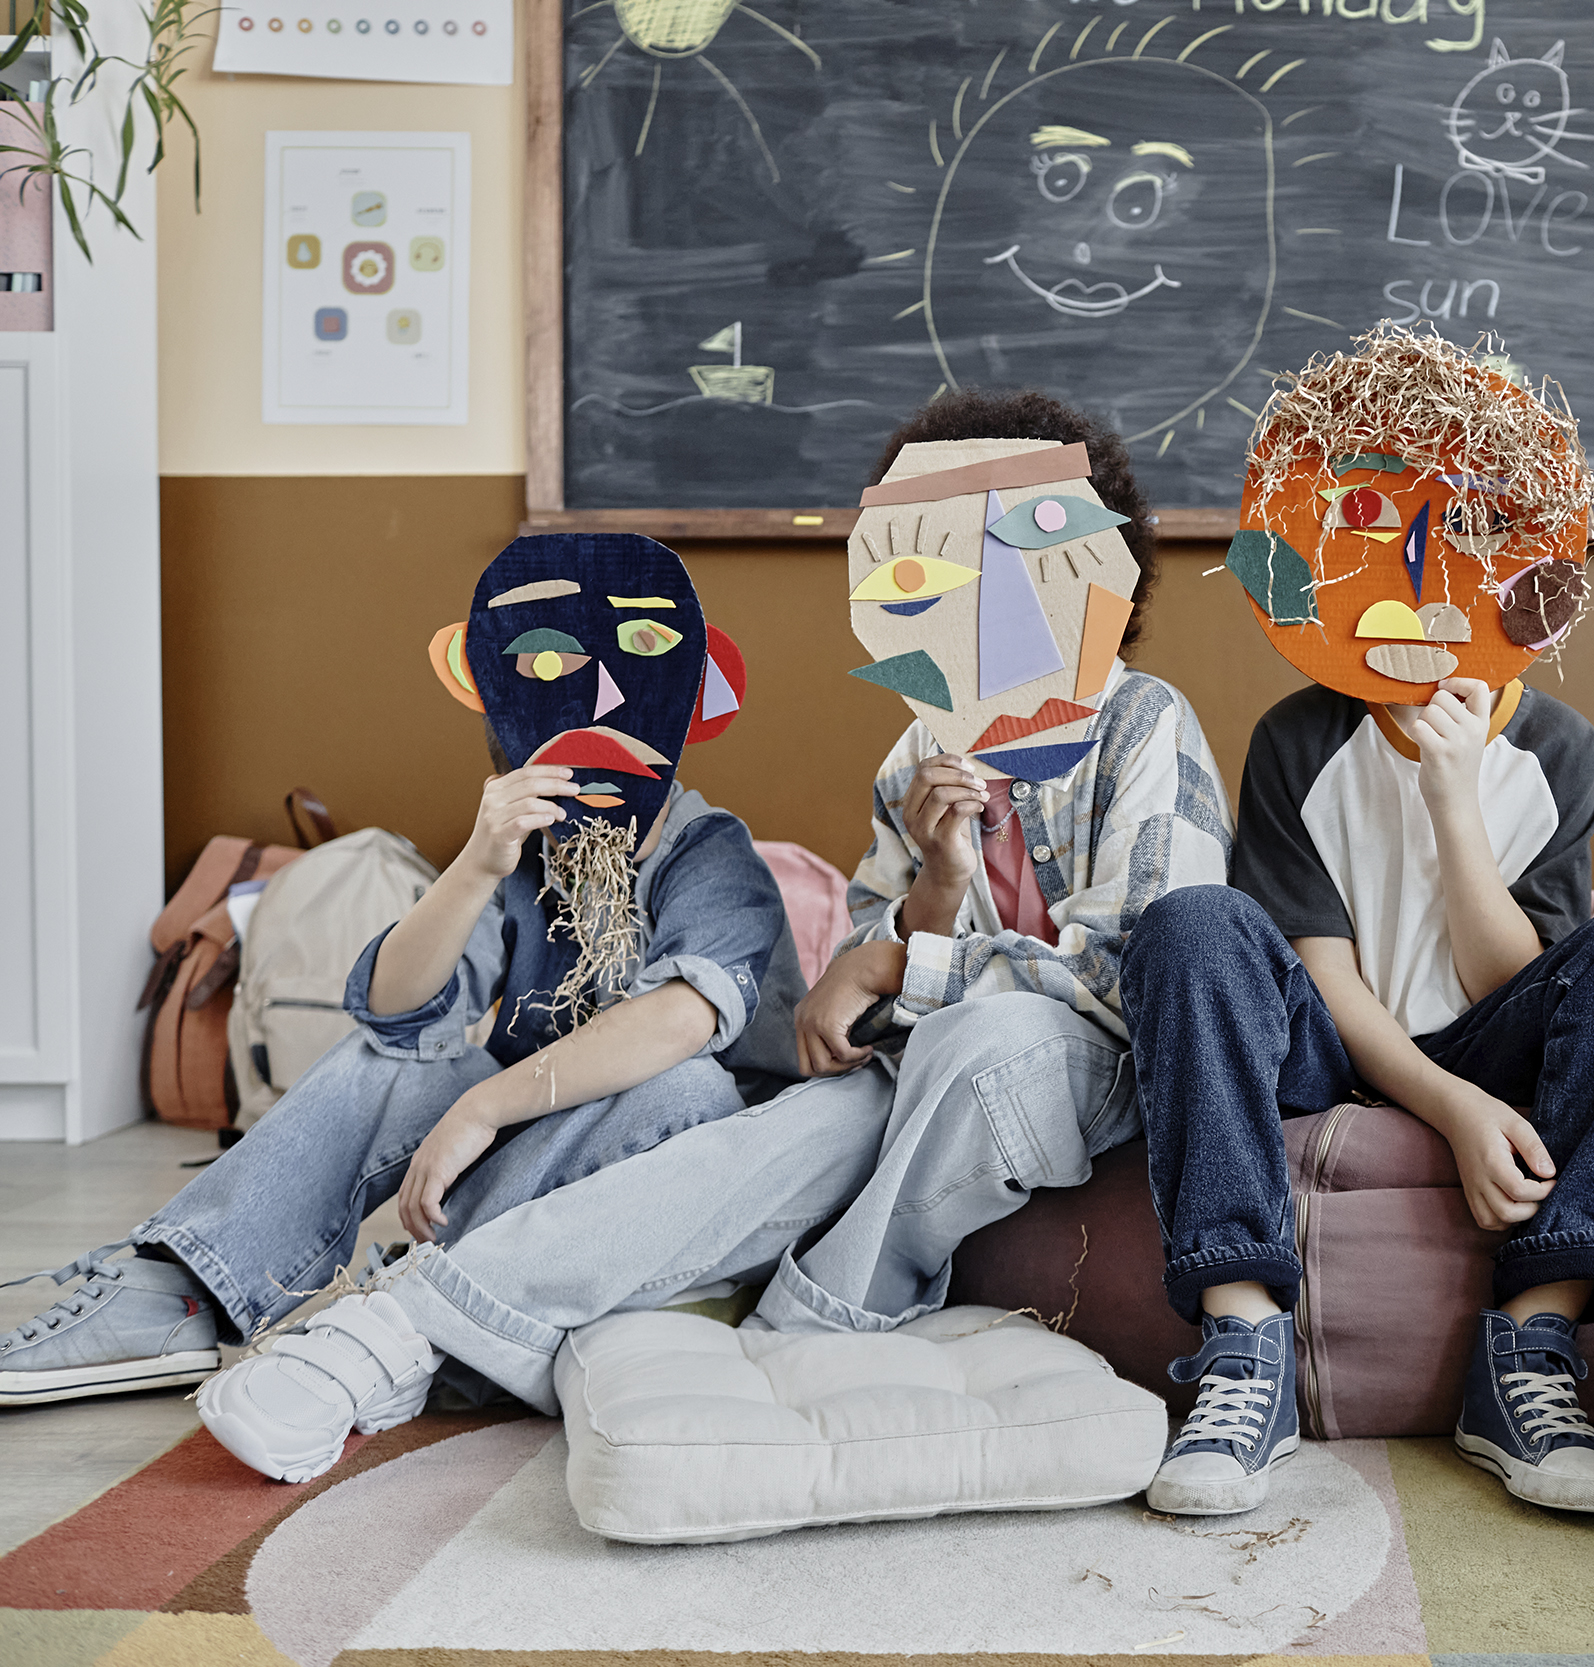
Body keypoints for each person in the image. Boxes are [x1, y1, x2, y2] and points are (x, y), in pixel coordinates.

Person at [141, 391, 1231, 1473]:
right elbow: (858, 1006)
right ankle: (393, 1325)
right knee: (816, 1117)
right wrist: (934, 892)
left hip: (1087, 1062)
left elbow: (1130, 973)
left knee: (955, 1048)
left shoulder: (1144, 721)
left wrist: (906, 959)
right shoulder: (916, 757)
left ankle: (801, 1314)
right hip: (932, 1057)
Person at [0, 534, 805, 1468]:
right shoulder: (531, 853)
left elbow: (682, 1019)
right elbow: (394, 1009)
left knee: (684, 1086)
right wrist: (477, 864)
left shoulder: (711, 856)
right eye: (548, 664)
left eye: (641, 657)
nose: (598, 703)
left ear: (699, 692)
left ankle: (406, 1302)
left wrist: (483, 1105)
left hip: (672, 1177)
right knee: (402, 1058)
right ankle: (178, 1288)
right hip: (532, 1148)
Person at [1125, 326, 1594, 1520]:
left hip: (1492, 1030)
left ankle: (1529, 1342)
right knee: (1191, 922)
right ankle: (1243, 1341)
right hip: (1330, 1039)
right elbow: (1319, 971)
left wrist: (1454, 800)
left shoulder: (1558, 748)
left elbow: (1513, 974)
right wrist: (1450, 1109)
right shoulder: (1301, 735)